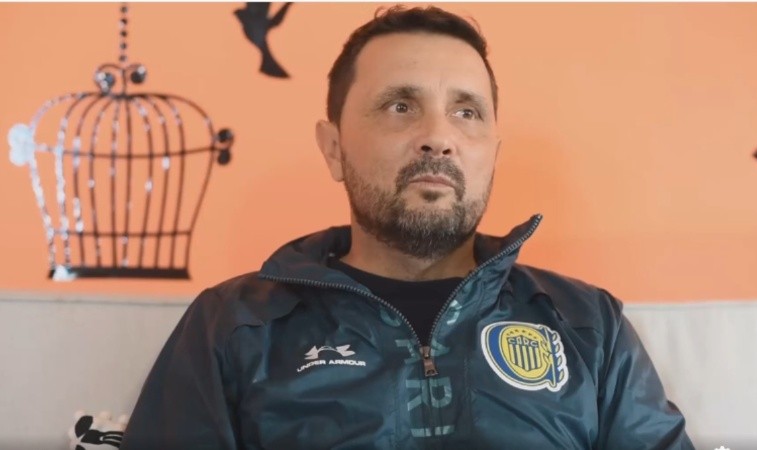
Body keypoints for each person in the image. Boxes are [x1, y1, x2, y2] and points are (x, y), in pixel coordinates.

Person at [121, 5, 694, 449]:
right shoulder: (232, 327)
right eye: (400, 105)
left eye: (467, 112)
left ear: (492, 153)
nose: (438, 137)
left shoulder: (589, 326)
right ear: (334, 148)